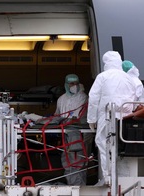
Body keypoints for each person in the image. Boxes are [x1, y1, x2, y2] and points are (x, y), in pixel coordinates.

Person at [87, 51, 136, 185]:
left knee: (104, 145)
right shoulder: (128, 78)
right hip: (125, 118)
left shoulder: (103, 76)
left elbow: (94, 98)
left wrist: (91, 119)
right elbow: (134, 96)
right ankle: (124, 178)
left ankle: (108, 177)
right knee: (121, 148)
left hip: (107, 116)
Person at [55, 74, 92, 185]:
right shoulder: (61, 99)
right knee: (68, 160)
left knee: (79, 161)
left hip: (82, 135)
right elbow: (57, 115)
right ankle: (73, 186)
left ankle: (79, 187)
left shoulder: (84, 97)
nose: (74, 86)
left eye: (76, 83)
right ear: (66, 84)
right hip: (67, 133)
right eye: (71, 83)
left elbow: (84, 117)